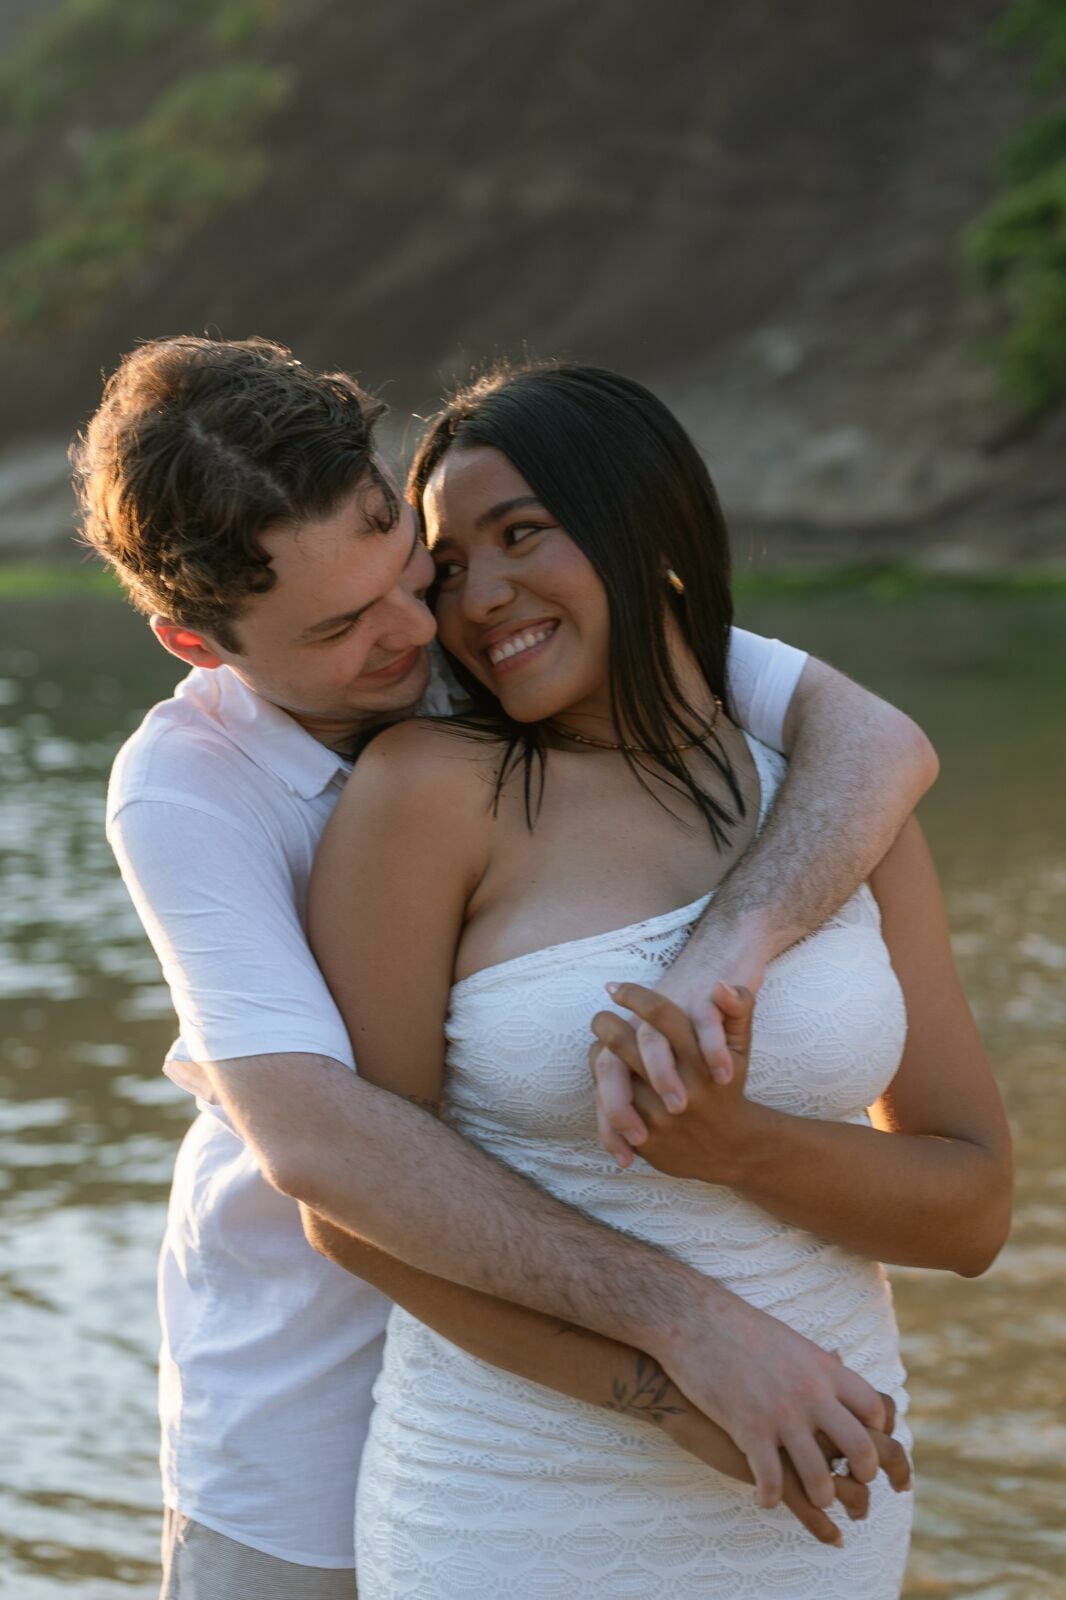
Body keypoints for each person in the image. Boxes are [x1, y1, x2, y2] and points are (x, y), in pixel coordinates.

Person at [77, 336, 940, 1599]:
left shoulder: (495, 633)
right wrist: (684, 1333)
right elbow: (325, 1149)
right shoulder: (184, 790)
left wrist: (720, 958)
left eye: (401, 573)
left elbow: (870, 742)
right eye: (341, 627)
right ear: (196, 644)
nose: (418, 630)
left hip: (589, 1404)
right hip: (306, 1408)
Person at [305, 362, 1012, 1597]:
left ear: (646, 520)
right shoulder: (425, 794)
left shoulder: (834, 801)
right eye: (450, 566)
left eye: (522, 534)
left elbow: (970, 1211)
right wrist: (670, 1387)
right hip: (515, 1502)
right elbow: (357, 1207)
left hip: (816, 1497)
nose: (480, 600)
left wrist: (740, 1146)